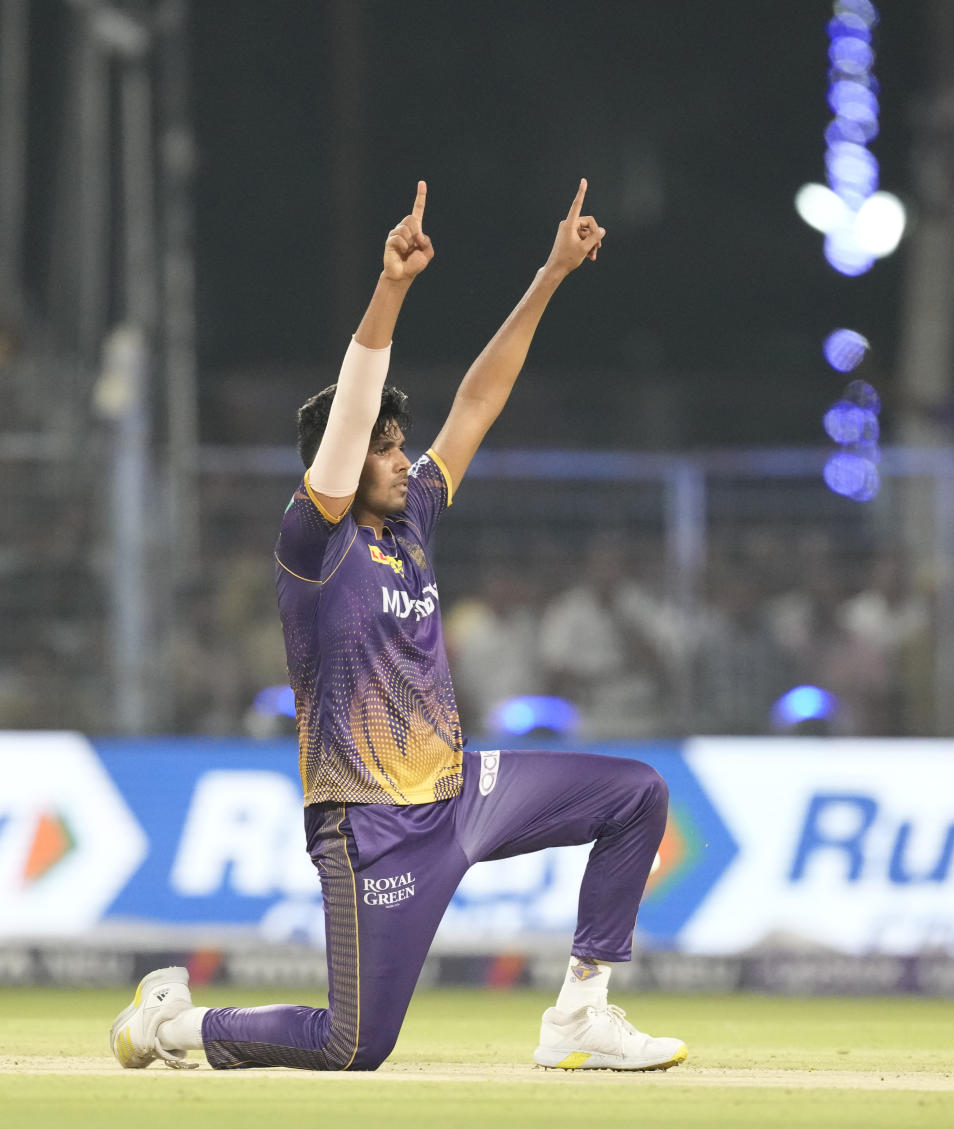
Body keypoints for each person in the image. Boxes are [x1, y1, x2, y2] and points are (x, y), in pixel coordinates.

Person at [110, 180, 686, 1074]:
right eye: (381, 446)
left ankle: (581, 1012)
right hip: (369, 825)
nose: (398, 457)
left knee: (637, 793)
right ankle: (171, 1025)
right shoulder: (312, 542)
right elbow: (349, 421)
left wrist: (552, 274)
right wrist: (392, 289)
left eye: (396, 444)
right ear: (335, 463)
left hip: (459, 792)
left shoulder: (414, 513)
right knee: (354, 1044)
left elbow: (478, 403)